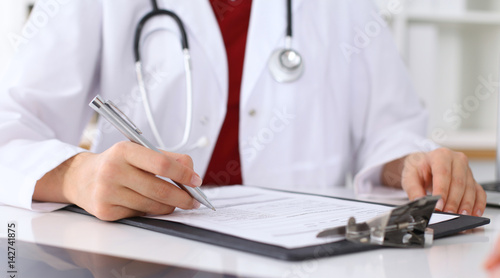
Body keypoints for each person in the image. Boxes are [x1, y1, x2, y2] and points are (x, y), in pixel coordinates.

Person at [0, 0, 486, 221]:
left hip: (312, 262)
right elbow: (11, 123)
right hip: (137, 261)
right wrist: (74, 175)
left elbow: (392, 127)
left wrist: (415, 163)